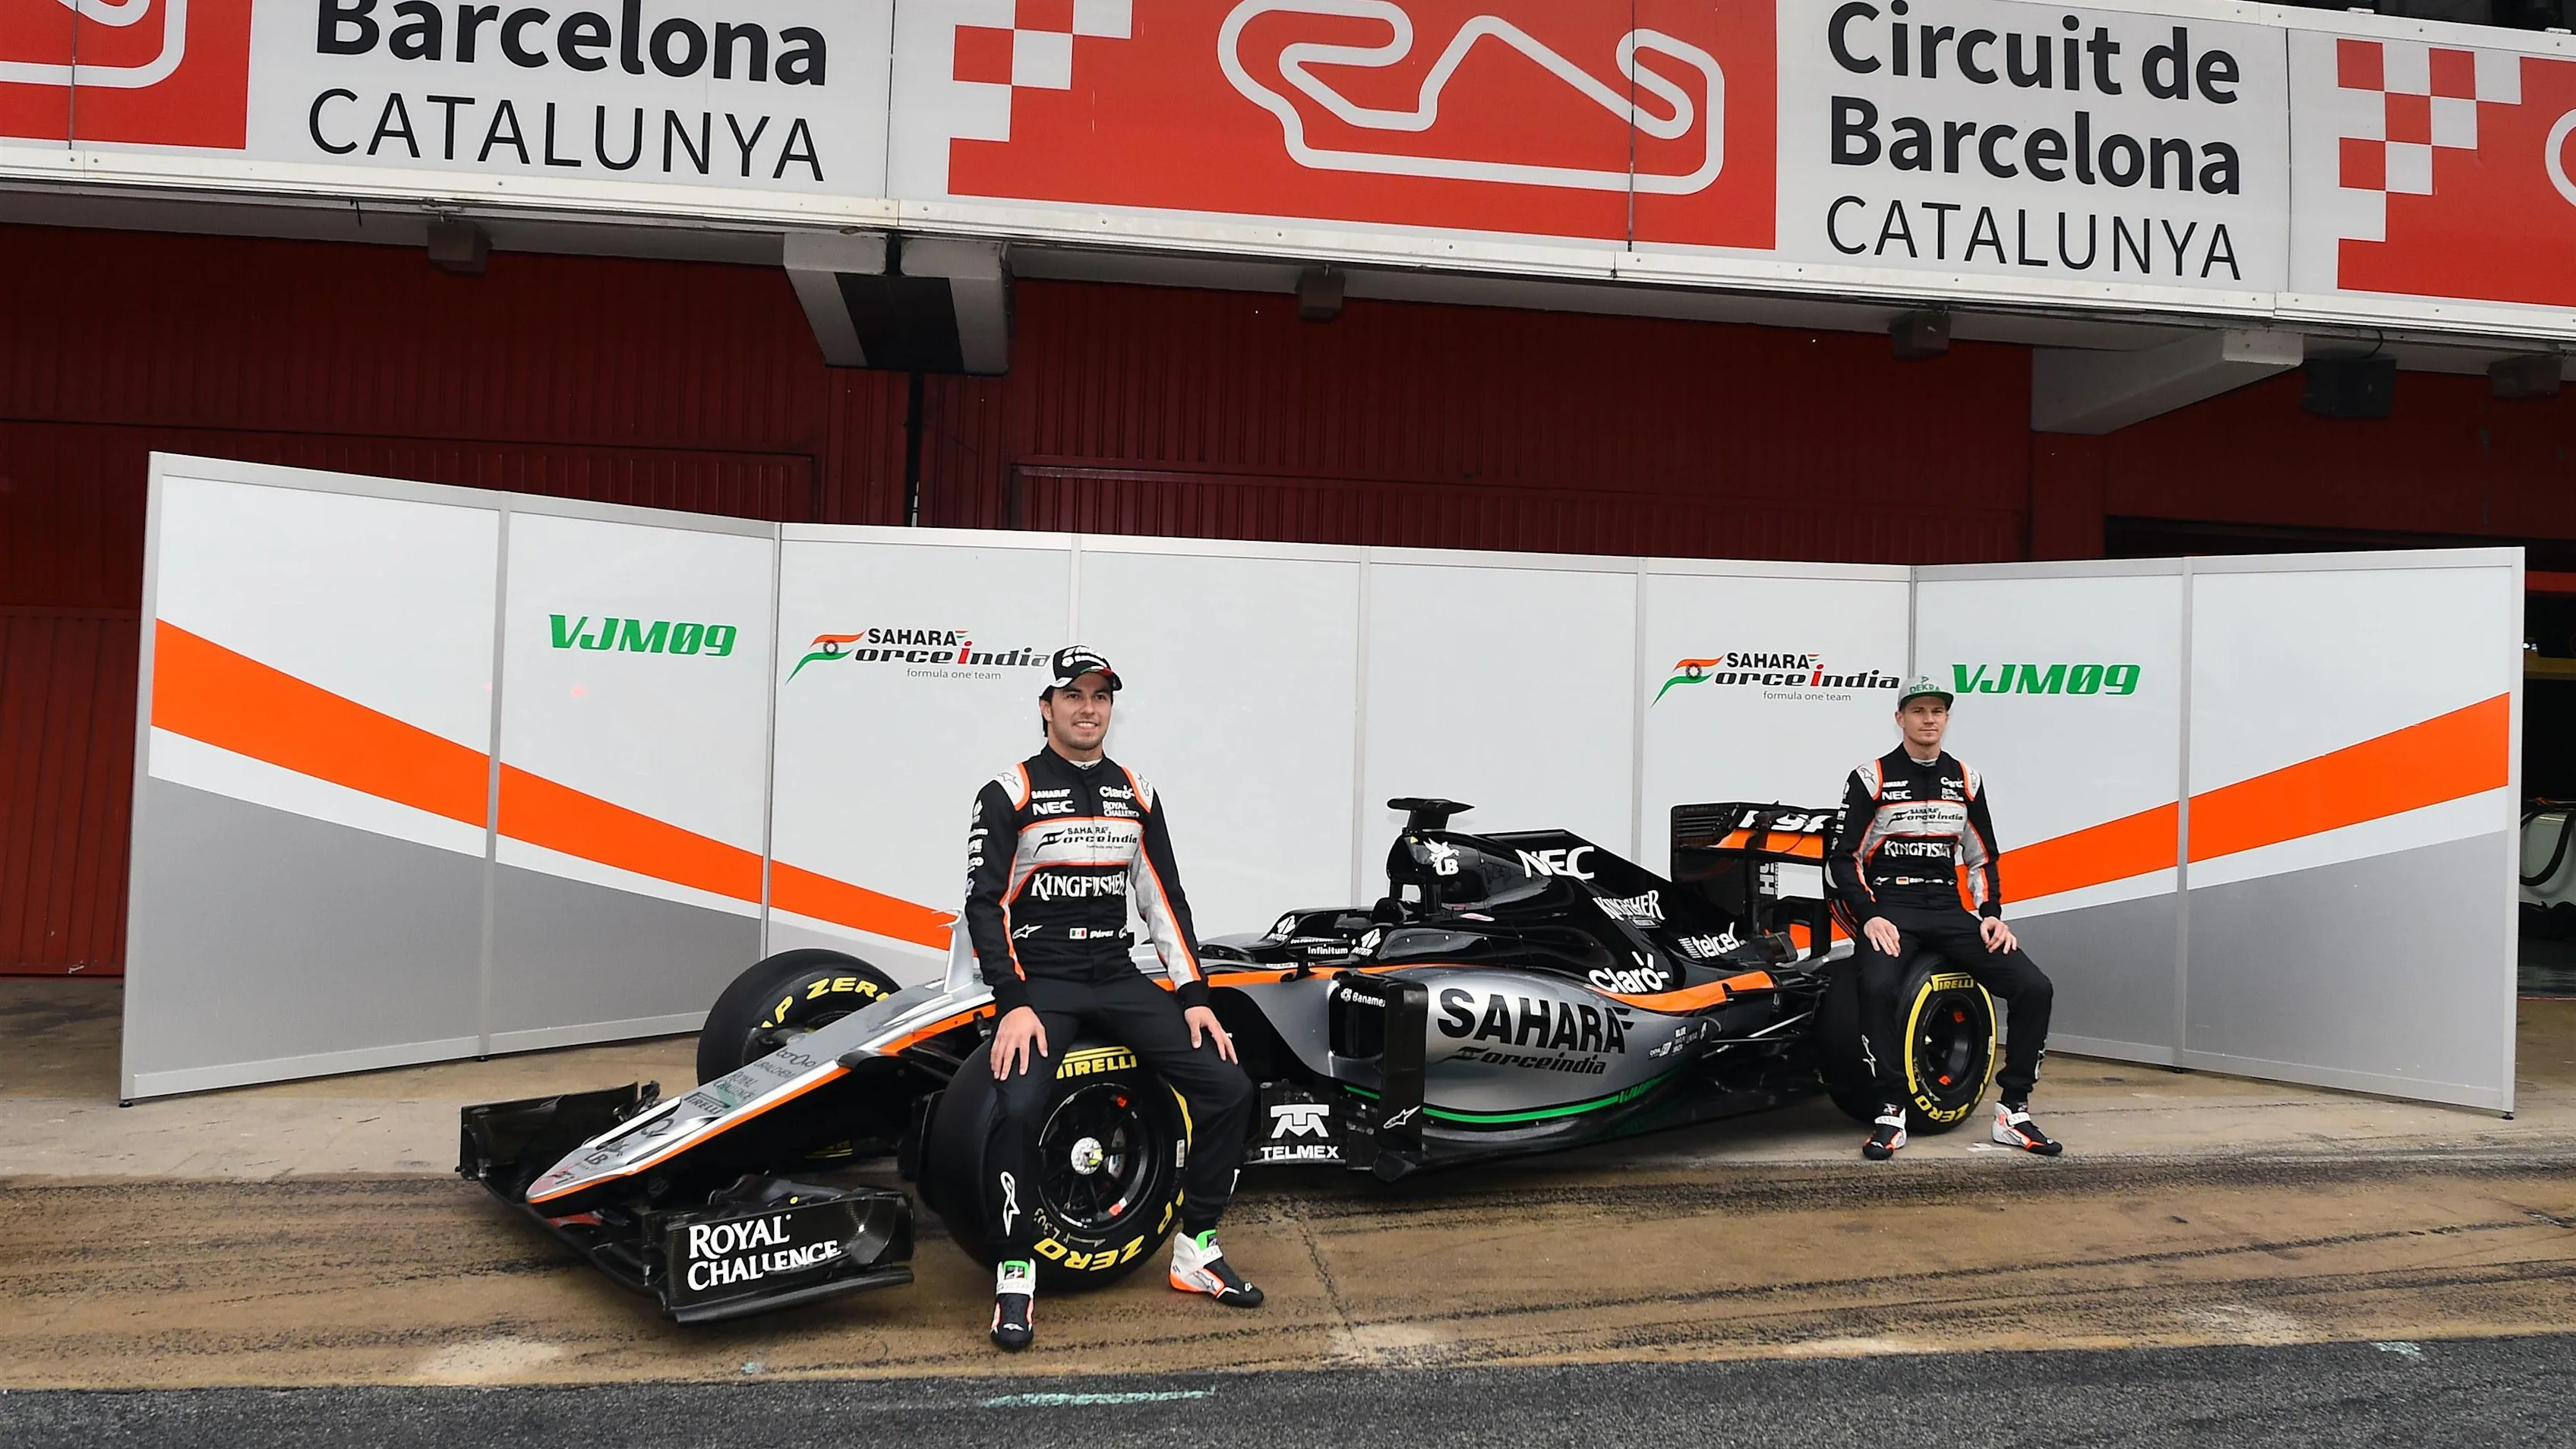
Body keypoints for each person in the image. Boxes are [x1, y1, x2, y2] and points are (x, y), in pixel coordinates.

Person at [962, 646, 1261, 1352]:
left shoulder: (1139, 791)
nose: (1088, 708)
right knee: (1020, 1102)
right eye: (1074, 696)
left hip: (1116, 975)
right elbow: (984, 905)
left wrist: (1193, 996)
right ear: (1047, 707)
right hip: (1042, 981)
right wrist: (1014, 1001)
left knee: (1229, 1086)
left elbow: (1162, 901)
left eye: (1100, 697)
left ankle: (1197, 1252)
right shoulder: (1010, 790)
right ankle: (1015, 1273)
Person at [1829, 677, 2063, 1161]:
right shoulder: (1870, 776)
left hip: (1949, 908)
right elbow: (1845, 859)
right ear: (1900, 719)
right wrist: (1869, 916)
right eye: (1918, 711)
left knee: (2034, 986)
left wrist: (1991, 915)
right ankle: (1891, 1110)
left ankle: (2013, 1111)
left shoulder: (1967, 779)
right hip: (1892, 908)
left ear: (1947, 718)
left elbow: (1981, 858)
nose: (1929, 719)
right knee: (1875, 987)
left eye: (1937, 711)